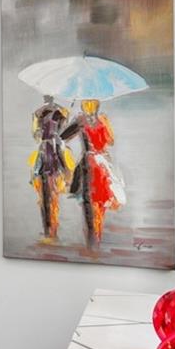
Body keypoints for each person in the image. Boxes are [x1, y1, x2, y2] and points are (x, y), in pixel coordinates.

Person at [68, 98, 125, 248]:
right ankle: (96, 237)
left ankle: (92, 240)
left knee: (88, 201)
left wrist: (71, 116)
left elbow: (63, 137)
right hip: (102, 163)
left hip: (89, 163)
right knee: (100, 200)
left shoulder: (80, 120)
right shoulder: (103, 119)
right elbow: (110, 141)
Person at [28, 95, 75, 239]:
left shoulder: (38, 112)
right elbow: (64, 131)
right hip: (53, 149)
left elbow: (35, 135)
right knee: (52, 193)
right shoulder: (61, 111)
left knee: (44, 193)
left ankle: (49, 229)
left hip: (45, 149)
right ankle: (52, 229)